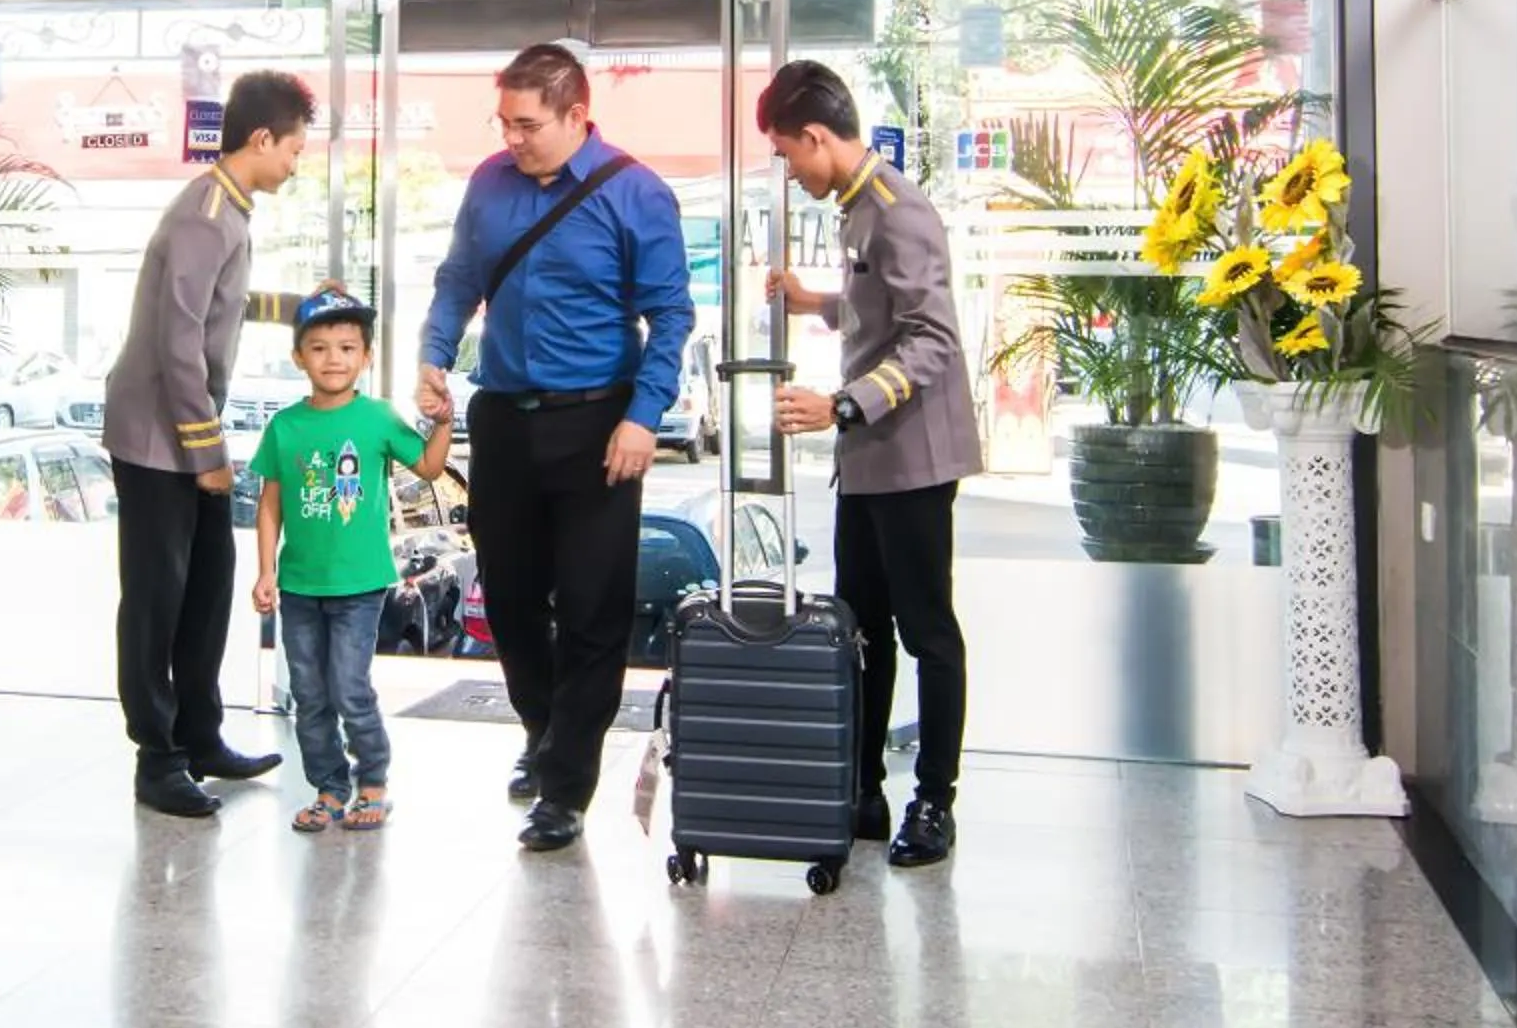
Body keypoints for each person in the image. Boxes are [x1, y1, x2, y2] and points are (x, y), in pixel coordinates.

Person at [418, 42, 693, 853]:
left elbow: (671, 317)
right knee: (505, 598)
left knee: (592, 607)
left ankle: (567, 787)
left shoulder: (636, 194)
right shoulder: (488, 184)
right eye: (503, 123)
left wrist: (644, 416)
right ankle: (543, 733)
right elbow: (458, 280)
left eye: (528, 124)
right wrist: (435, 354)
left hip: (599, 423)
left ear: (577, 115)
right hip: (502, 415)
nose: (512, 138)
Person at [760, 61, 981, 869]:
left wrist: (842, 406)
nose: (791, 170)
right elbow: (875, 306)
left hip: (914, 457)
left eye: (790, 155)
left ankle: (934, 800)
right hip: (870, 460)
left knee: (927, 631)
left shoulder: (897, 211)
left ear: (818, 137)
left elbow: (931, 339)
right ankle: (862, 790)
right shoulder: (860, 208)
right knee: (862, 631)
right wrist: (813, 301)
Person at [103, 69, 315, 818]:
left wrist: (300, 305)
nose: (297, 161)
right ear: (262, 139)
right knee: (157, 598)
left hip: (183, 431)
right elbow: (177, 341)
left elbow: (218, 305)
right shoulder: (204, 213)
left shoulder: (228, 210)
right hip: (157, 435)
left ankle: (200, 733)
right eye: (293, 146)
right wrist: (209, 453)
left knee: (208, 584)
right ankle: (156, 757)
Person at [249, 285, 454, 835]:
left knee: (348, 685)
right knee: (309, 692)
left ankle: (373, 781)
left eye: (346, 347)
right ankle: (328, 787)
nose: (332, 358)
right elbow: (270, 506)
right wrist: (267, 570)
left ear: (365, 357)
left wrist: (444, 421)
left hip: (360, 586)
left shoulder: (378, 420)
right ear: (298, 357)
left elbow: (431, 469)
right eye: (318, 348)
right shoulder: (285, 426)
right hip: (298, 586)